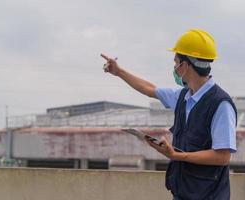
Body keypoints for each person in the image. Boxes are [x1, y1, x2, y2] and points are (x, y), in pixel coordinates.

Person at [100, 29, 237, 200]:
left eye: (176, 62)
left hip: (208, 196)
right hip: (182, 193)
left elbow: (223, 156)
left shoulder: (220, 104)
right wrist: (119, 72)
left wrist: (176, 155)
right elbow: (150, 89)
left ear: (185, 66)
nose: (174, 67)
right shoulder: (183, 96)